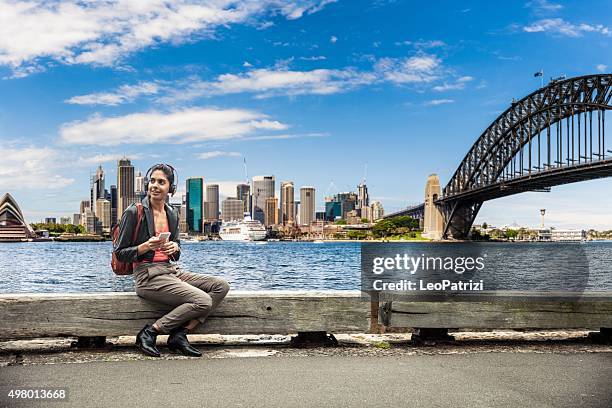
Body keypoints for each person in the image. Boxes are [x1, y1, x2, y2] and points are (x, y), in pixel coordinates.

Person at [113, 163, 230, 357]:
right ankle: (150, 332)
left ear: (171, 188)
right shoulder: (134, 211)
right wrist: (146, 246)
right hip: (147, 275)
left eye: (161, 182)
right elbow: (120, 253)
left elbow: (176, 252)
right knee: (202, 300)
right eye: (152, 181)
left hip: (170, 270)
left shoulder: (172, 213)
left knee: (221, 286)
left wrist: (175, 247)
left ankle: (181, 333)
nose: (155, 186)